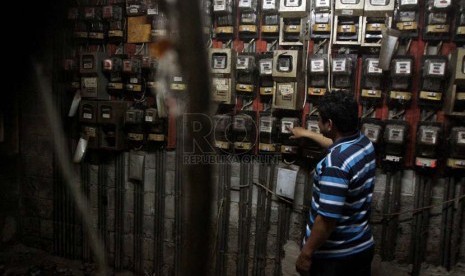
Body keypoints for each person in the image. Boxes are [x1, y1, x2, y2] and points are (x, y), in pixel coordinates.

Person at [289, 91, 376, 276]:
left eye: (319, 121)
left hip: (334, 259)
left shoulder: (335, 164)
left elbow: (327, 219)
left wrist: (306, 253)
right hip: (361, 248)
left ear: (329, 124)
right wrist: (306, 133)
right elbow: (335, 144)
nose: (318, 125)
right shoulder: (363, 143)